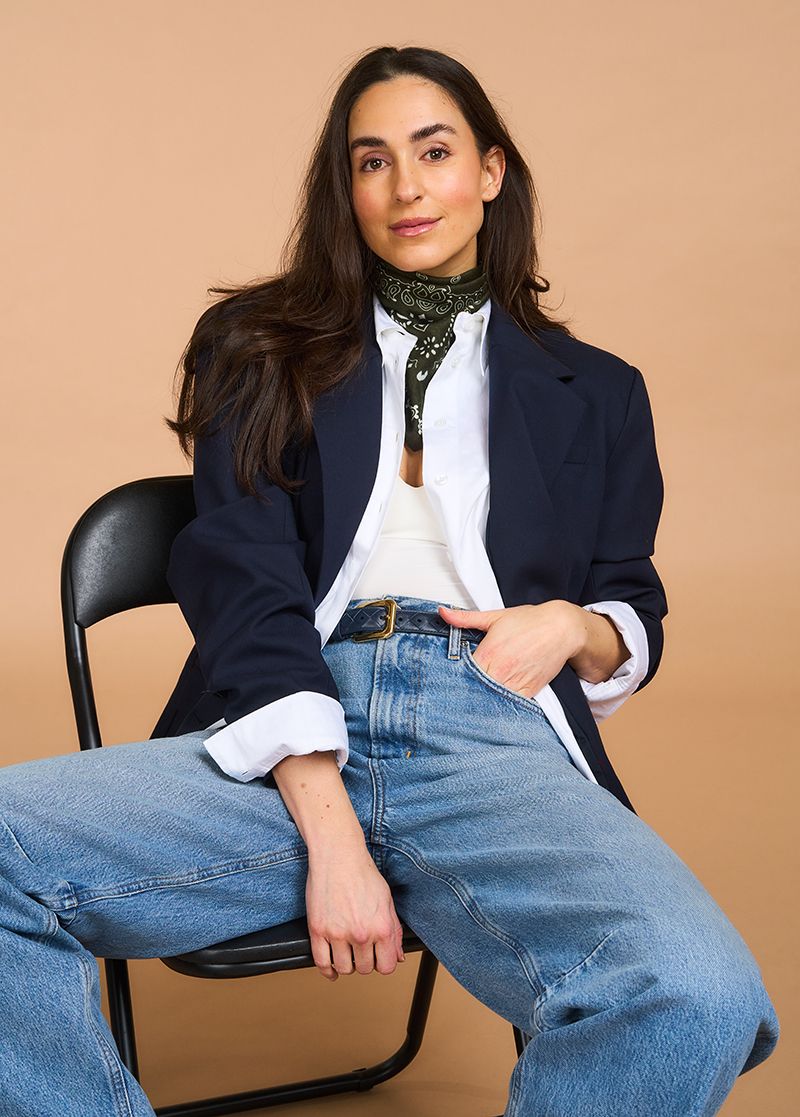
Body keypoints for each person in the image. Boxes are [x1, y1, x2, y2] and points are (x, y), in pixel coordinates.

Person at [0, 45, 779, 1117]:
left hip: (492, 727)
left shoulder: (594, 391)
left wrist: (569, 626)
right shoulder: (257, 348)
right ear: (345, 190)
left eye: (433, 151)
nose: (405, 186)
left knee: (696, 990)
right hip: (288, 719)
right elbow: (246, 575)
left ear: (490, 172)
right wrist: (332, 836)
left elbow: (626, 600)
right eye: (371, 162)